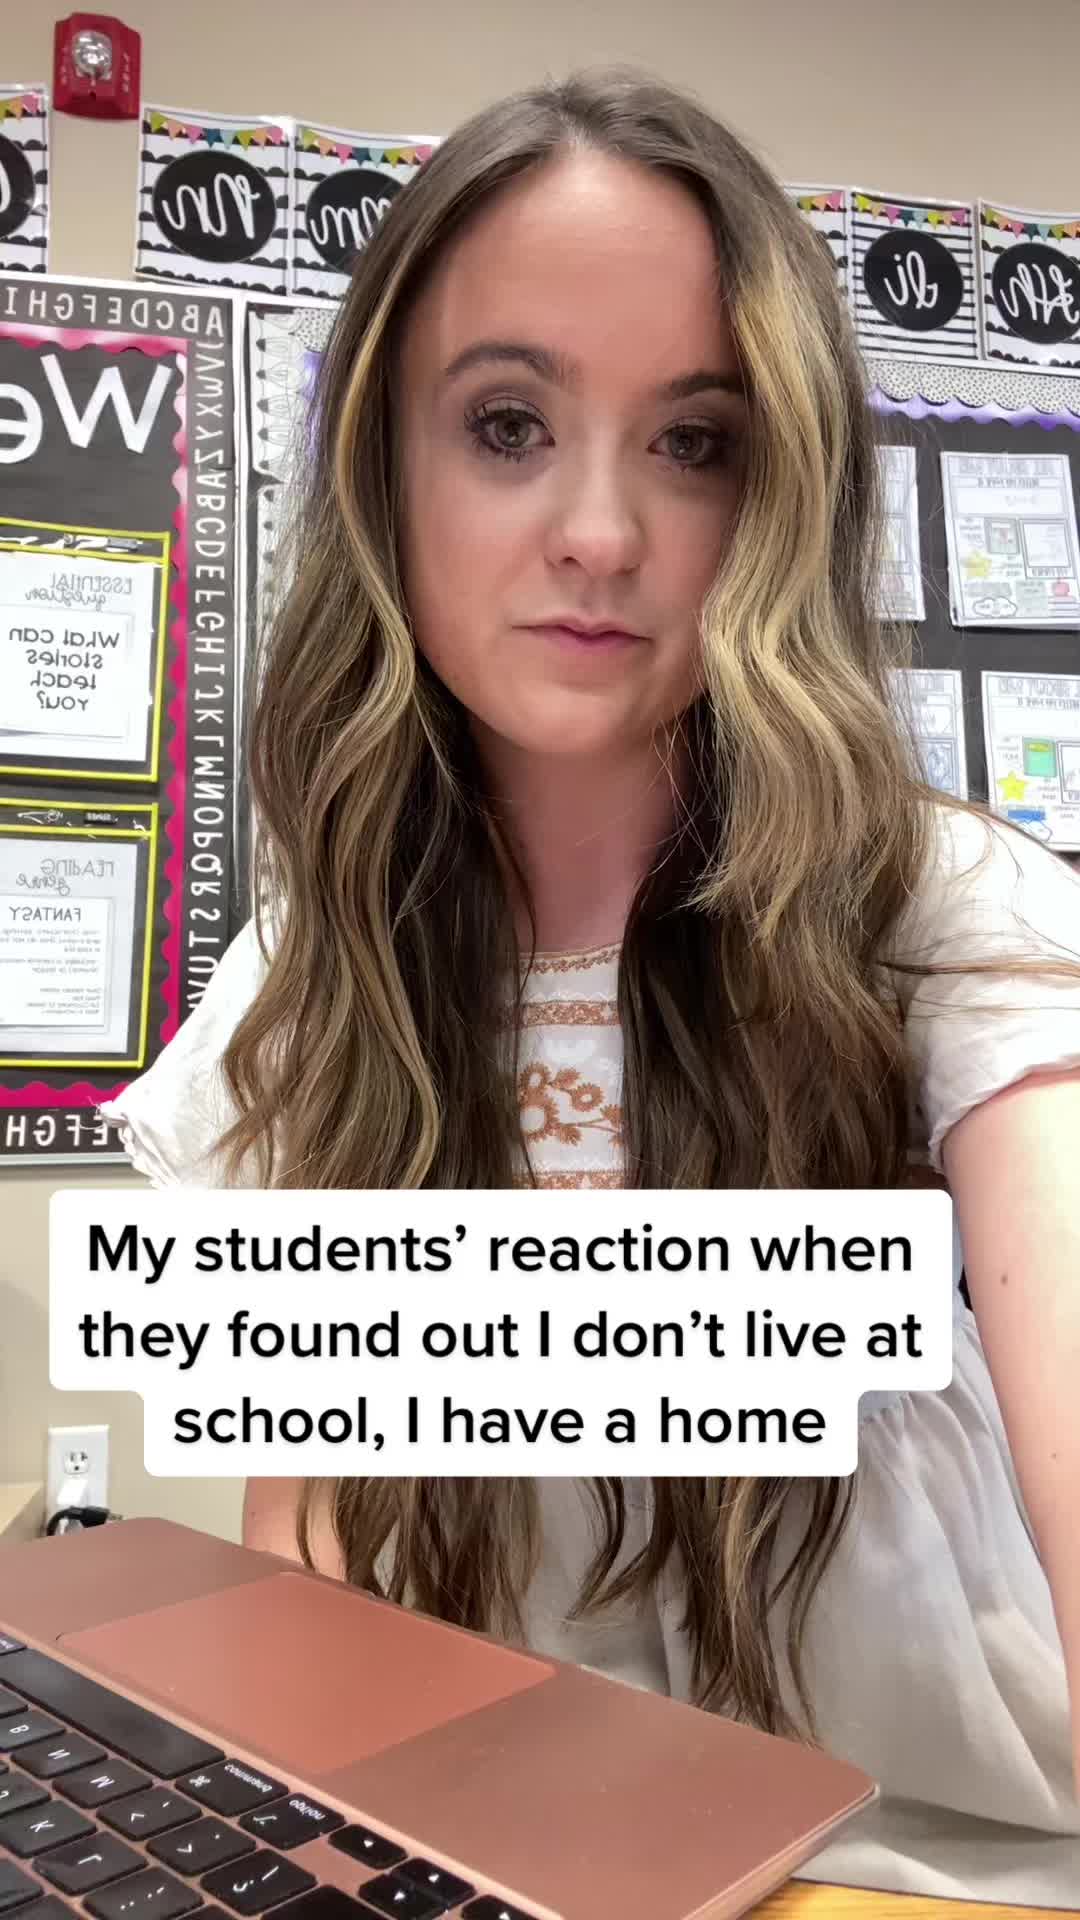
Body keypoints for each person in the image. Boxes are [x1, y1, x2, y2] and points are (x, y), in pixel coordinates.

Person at [100, 68, 1080, 1904]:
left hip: (923, 1868)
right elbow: (306, 1580)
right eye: (507, 424)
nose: (604, 534)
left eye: (694, 442)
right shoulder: (308, 989)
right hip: (495, 1864)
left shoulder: (944, 910)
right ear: (386, 473)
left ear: (776, 496)